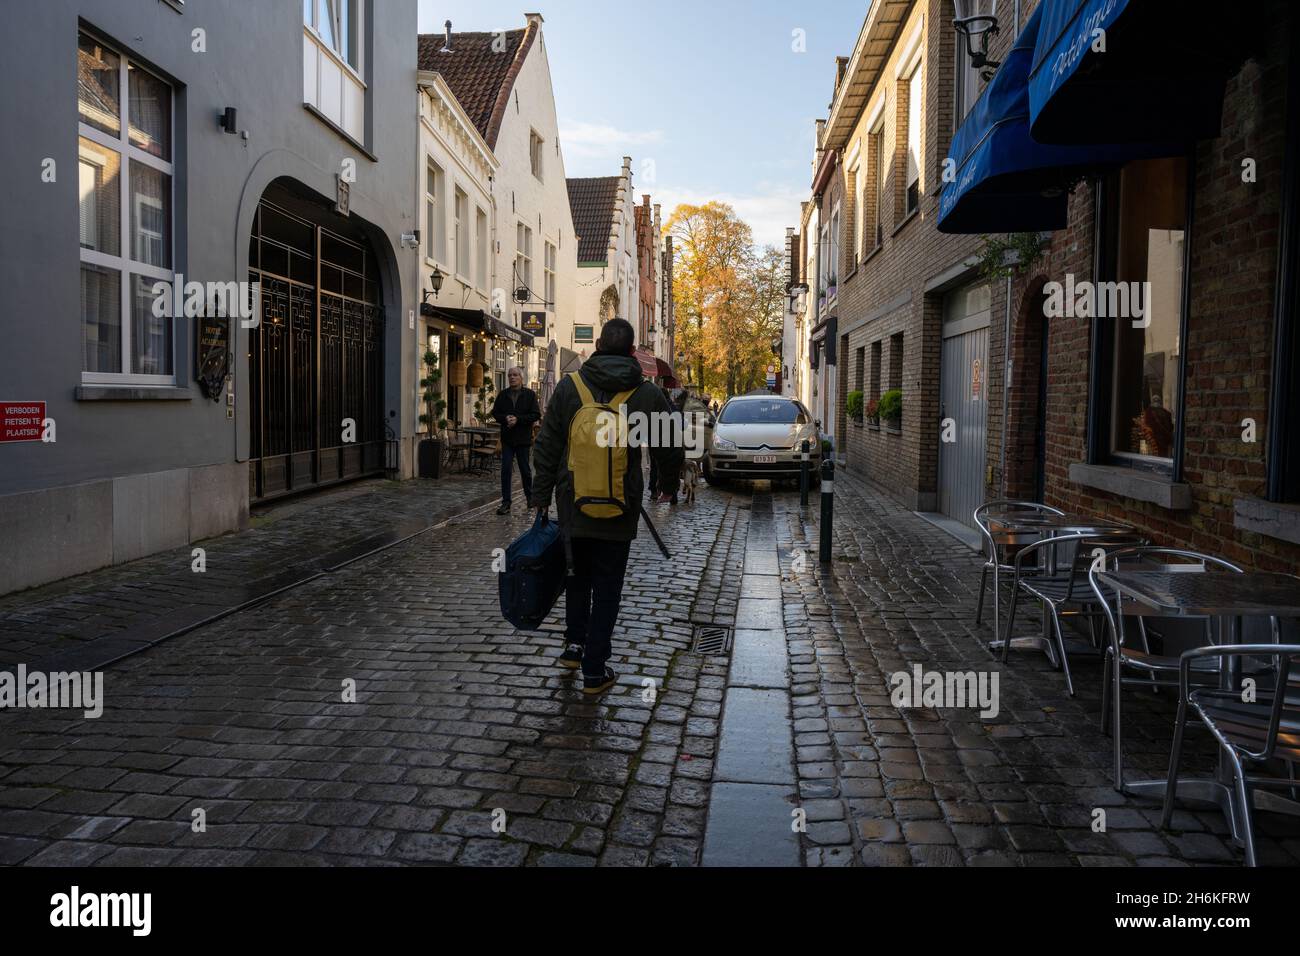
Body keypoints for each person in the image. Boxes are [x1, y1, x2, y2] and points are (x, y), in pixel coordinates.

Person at [531, 319, 683, 695]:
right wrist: (666, 486)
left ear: (597, 344)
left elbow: (547, 445)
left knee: (576, 579)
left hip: (573, 503)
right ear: (633, 352)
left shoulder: (570, 387)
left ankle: (573, 647)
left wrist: (541, 497)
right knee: (608, 587)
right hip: (620, 505)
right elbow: (669, 444)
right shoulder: (645, 394)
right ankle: (595, 671)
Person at [491, 367, 540, 515]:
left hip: (523, 439)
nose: (512, 377)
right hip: (507, 439)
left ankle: (530, 498)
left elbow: (535, 414)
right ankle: (506, 502)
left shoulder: (530, 395)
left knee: (525, 470)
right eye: (510, 375)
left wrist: (518, 419)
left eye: (515, 375)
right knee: (505, 470)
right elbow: (495, 413)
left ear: (521, 378)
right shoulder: (503, 395)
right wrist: (505, 418)